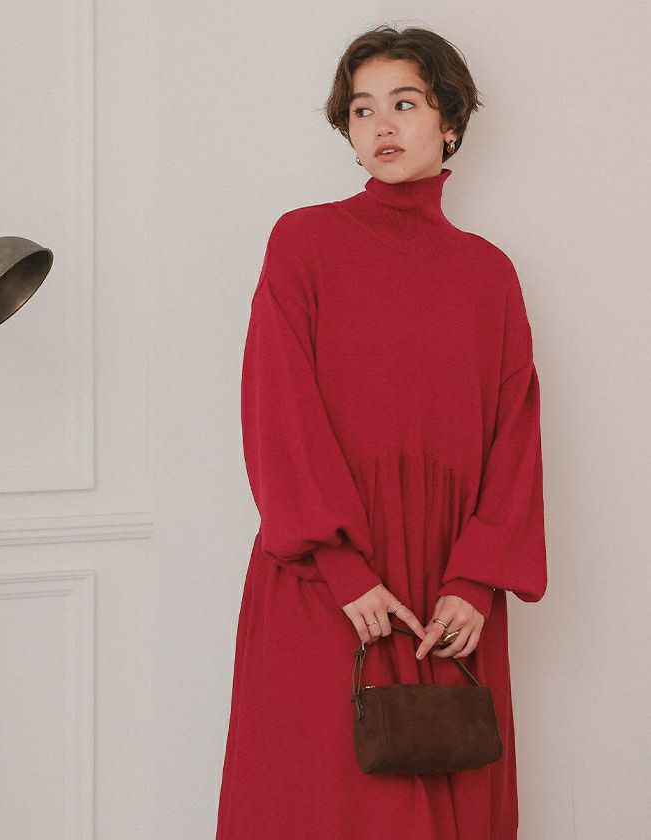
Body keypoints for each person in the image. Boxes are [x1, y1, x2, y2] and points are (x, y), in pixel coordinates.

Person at [215, 24, 547, 840]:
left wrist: (477, 580)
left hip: (447, 588)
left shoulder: (490, 274)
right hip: (325, 576)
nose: (382, 126)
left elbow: (515, 436)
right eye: (362, 110)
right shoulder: (303, 241)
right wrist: (341, 567)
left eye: (405, 103)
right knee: (323, 803)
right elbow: (276, 408)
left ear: (450, 123)